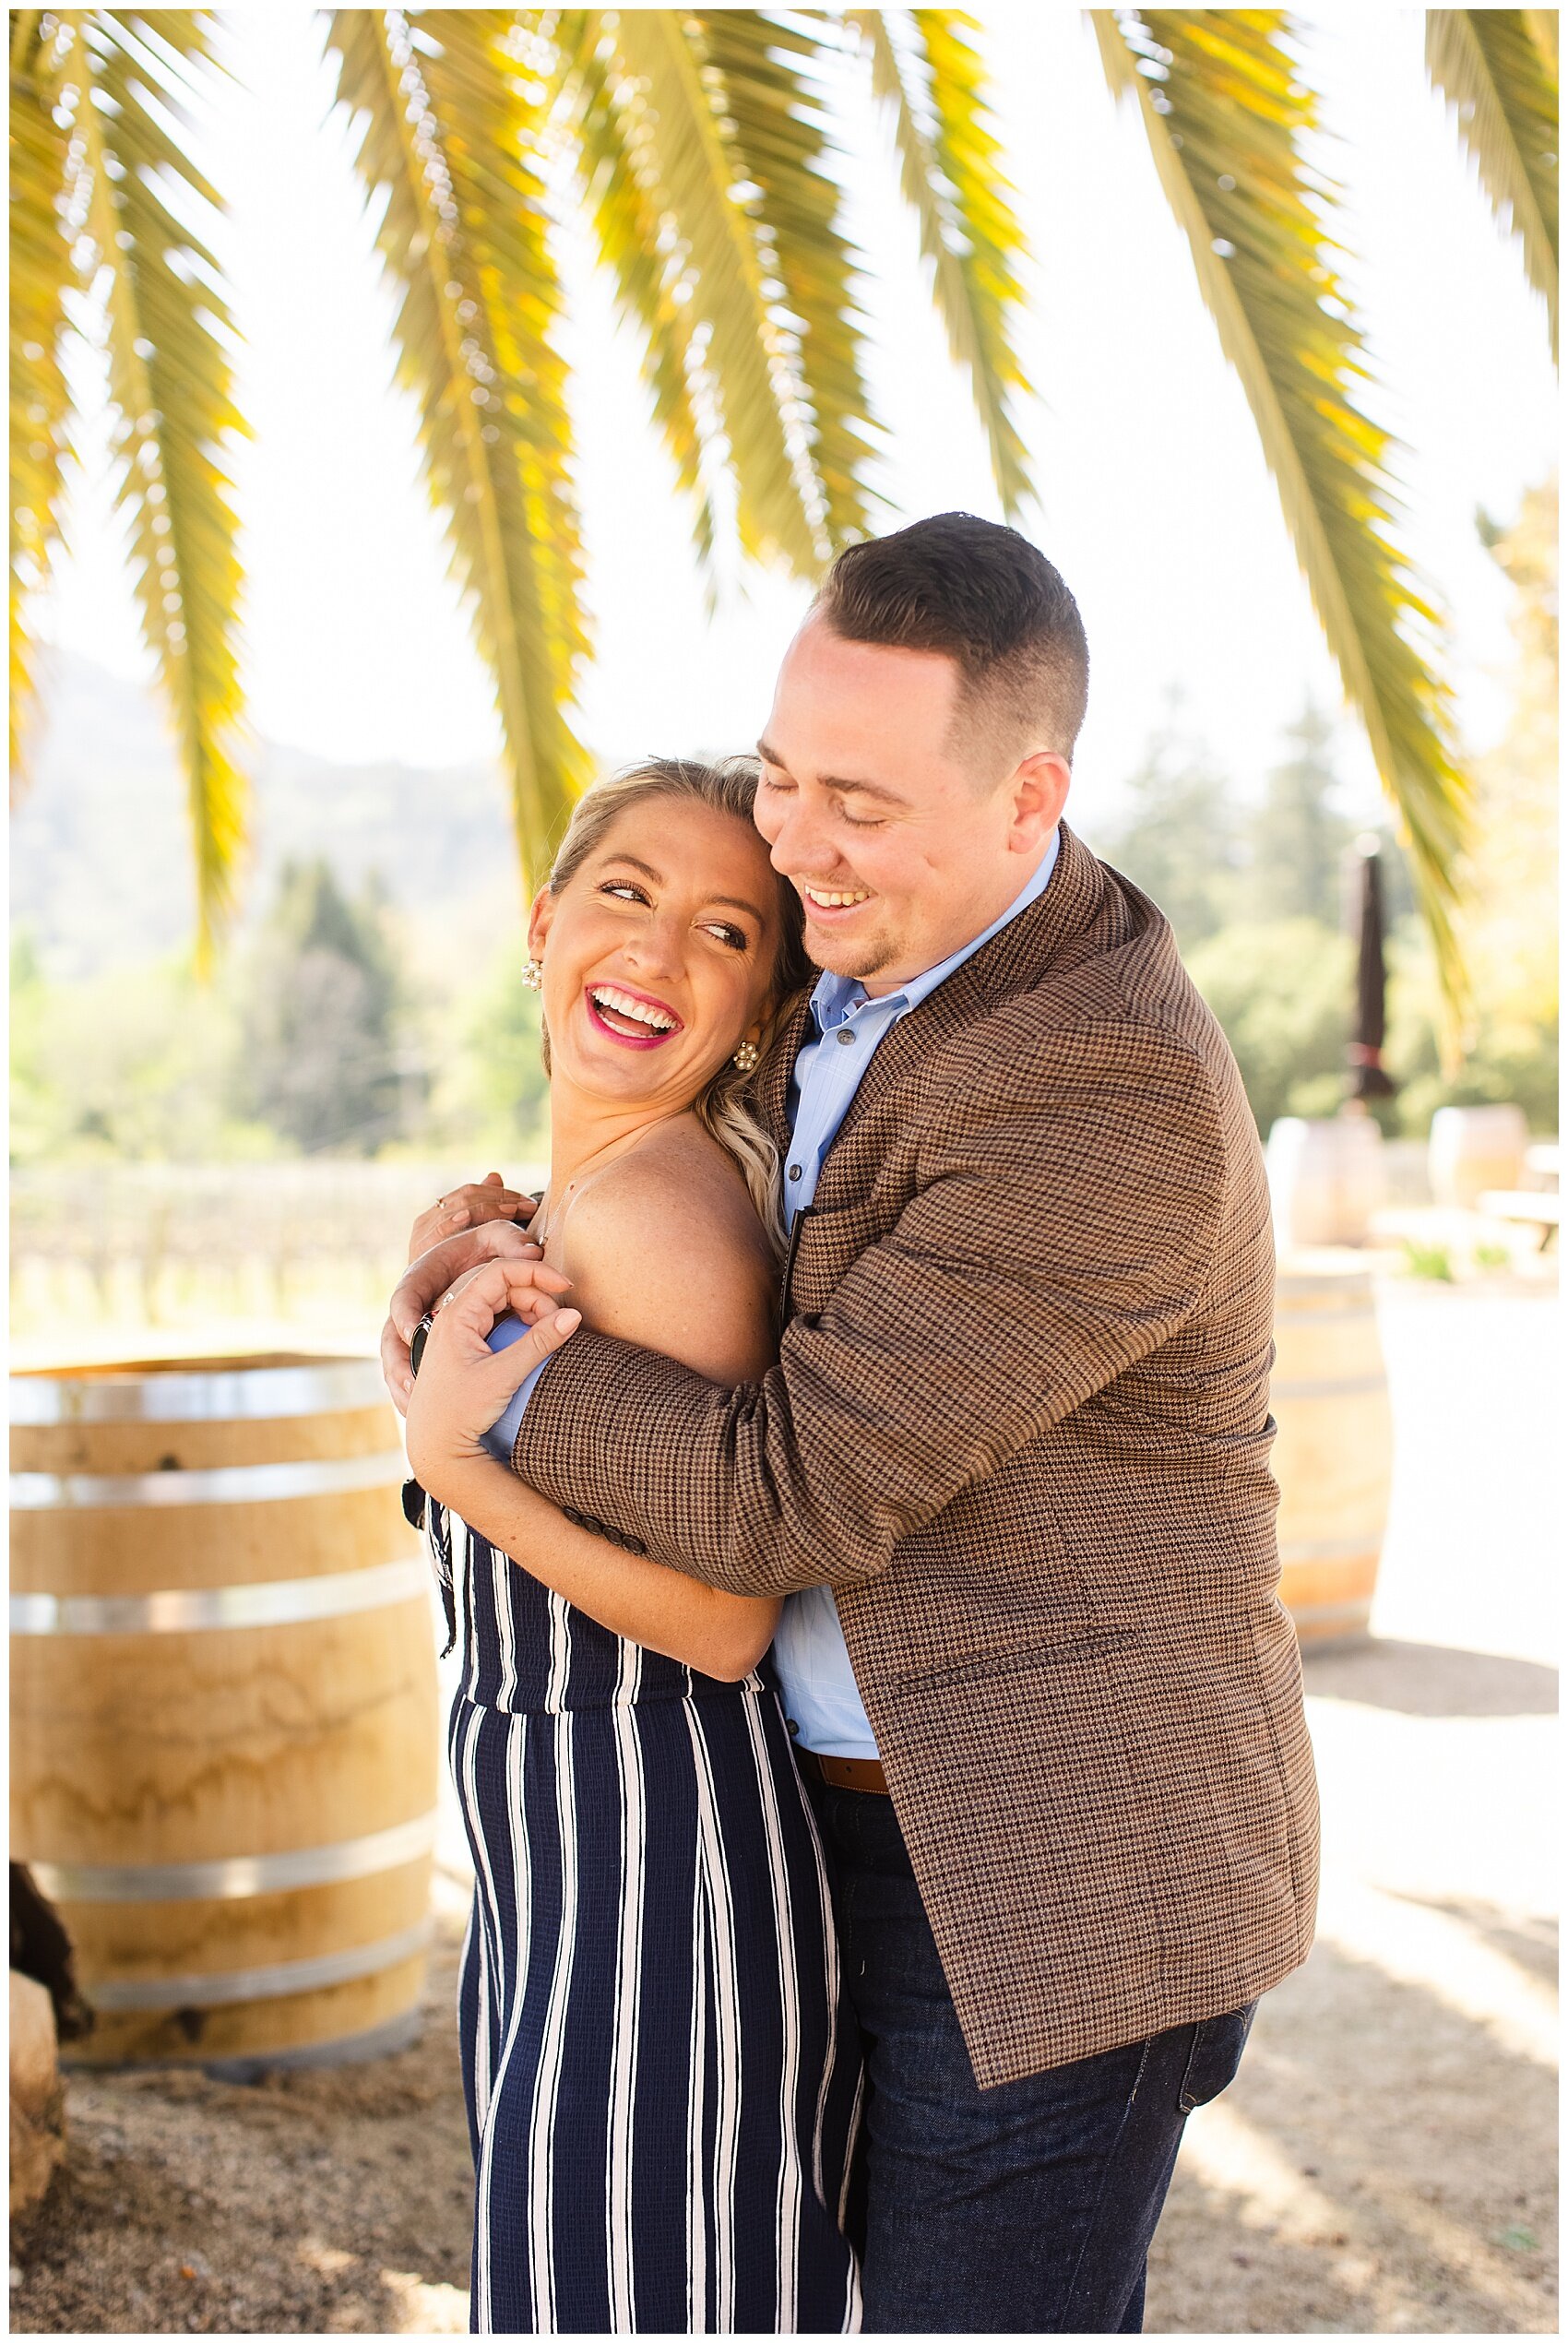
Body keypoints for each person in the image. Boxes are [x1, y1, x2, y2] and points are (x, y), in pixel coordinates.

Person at [392, 514, 1321, 2335]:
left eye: (860, 803)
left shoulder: (1096, 1077)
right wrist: (487, 1242)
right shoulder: (852, 943)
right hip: (807, 1835)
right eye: (783, 771)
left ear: (1026, 794)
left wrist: (477, 1365)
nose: (793, 842)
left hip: (1048, 1883)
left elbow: (787, 1491)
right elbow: (656, 1063)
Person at [401, 757, 863, 2337]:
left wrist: (461, 1468)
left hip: (657, 1867)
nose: (660, 958)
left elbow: (730, 1622)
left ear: (759, 1002)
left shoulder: (660, 1219)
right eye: (626, 895)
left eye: (729, 932)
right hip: (562, 1859)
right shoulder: (580, 1198)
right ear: (542, 924)